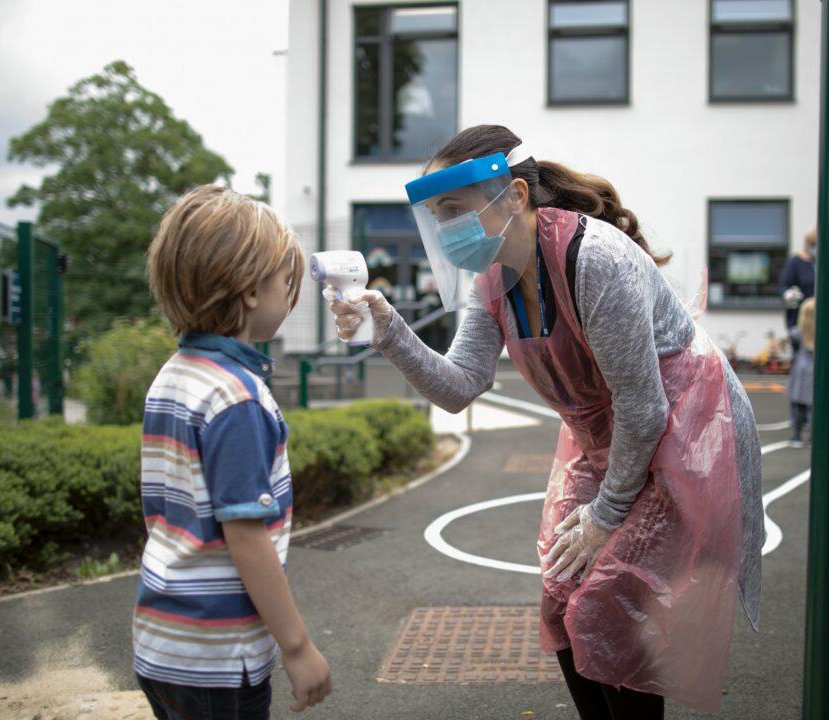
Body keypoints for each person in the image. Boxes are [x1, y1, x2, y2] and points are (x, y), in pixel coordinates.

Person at [326, 126, 764, 717]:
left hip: (684, 429)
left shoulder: (595, 260)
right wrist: (388, 330)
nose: (447, 227)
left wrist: (604, 517)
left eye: (454, 209)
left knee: (614, 599)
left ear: (515, 195)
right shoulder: (492, 280)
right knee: (560, 598)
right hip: (609, 438)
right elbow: (459, 386)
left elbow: (644, 409)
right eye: (438, 215)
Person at [135, 185, 332, 719]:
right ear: (250, 291)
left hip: (163, 642)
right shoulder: (236, 397)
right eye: (285, 282)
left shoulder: (173, 377)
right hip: (222, 657)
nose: (289, 297)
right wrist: (296, 647)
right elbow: (245, 535)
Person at [780, 227, 817, 352]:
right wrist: (788, 295)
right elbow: (784, 286)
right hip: (801, 321)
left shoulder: (822, 262)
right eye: (813, 244)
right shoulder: (796, 263)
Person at [787, 297, 816, 447]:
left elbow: (790, 333)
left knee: (798, 404)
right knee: (815, 405)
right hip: (815, 370)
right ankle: (813, 435)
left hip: (801, 370)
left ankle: (797, 436)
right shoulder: (822, 331)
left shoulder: (798, 332)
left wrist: (791, 309)